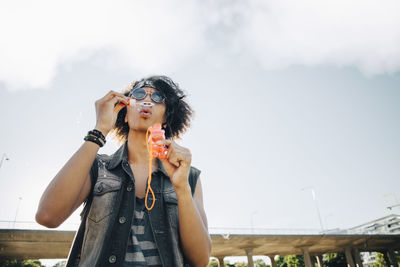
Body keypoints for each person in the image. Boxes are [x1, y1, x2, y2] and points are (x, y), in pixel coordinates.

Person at [35, 76, 211, 267]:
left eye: (158, 97)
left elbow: (201, 260)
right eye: (139, 94)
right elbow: (47, 217)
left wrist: (181, 188)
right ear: (125, 114)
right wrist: (99, 130)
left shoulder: (188, 175)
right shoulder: (96, 167)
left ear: (167, 118)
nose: (147, 100)